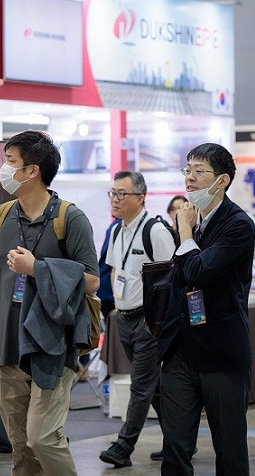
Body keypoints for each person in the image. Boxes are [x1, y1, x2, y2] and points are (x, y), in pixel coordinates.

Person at [0, 130, 99, 475]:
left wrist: (37, 268)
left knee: (42, 438)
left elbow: (92, 281)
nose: (3, 169)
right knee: (20, 445)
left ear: (32, 171)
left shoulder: (69, 218)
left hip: (53, 347)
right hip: (6, 345)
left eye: (10, 161)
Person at [158, 143, 255, 476]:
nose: (190, 178)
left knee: (229, 450)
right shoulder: (194, 220)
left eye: (199, 171)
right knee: (174, 447)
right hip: (181, 350)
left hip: (221, 352)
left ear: (222, 180)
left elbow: (198, 271)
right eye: (187, 170)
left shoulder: (238, 224)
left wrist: (184, 231)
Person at [99, 171, 176, 468]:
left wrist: (161, 319)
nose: (115, 199)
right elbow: (116, 273)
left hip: (149, 320)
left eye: (122, 193)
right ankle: (179, 439)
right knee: (151, 386)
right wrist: (117, 308)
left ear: (140, 198)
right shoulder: (116, 231)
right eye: (113, 193)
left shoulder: (155, 231)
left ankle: (124, 445)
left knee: (140, 385)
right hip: (124, 318)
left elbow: (172, 276)